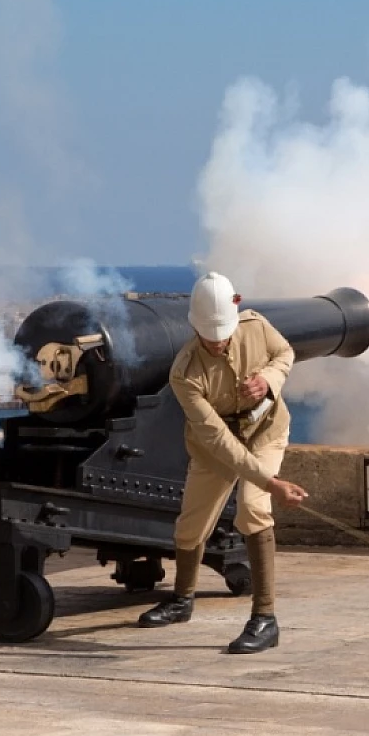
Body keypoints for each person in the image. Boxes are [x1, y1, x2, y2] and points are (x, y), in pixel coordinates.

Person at [137, 272, 308, 654]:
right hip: (216, 447)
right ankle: (182, 599)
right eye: (209, 336)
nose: (218, 343)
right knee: (190, 526)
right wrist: (273, 482)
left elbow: (285, 355)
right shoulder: (184, 373)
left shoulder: (256, 326)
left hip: (264, 432)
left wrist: (267, 380)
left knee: (252, 509)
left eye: (223, 334)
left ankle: (265, 618)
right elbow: (217, 439)